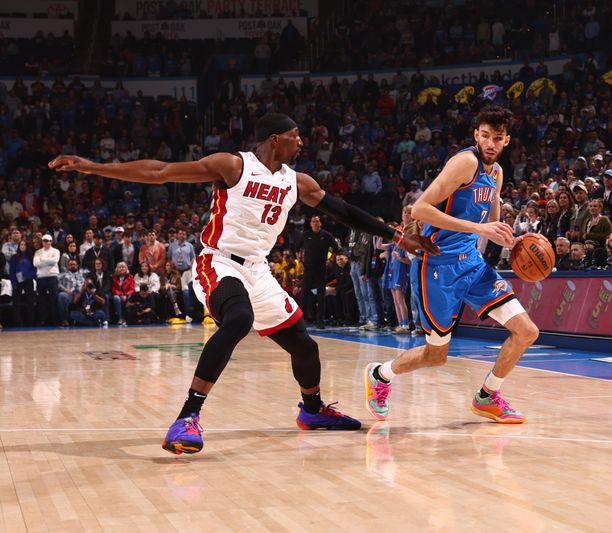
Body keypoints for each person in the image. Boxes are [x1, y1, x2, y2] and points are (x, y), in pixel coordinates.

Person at [49, 112, 436, 454]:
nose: (301, 142)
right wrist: (91, 166)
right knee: (238, 319)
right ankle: (188, 417)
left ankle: (313, 411)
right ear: (274, 139)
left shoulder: (296, 181)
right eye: (295, 136)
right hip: (218, 261)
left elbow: (346, 212)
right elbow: (159, 171)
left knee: (305, 346)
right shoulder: (233, 165)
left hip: (258, 270)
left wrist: (398, 236)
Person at [364, 105, 539, 425]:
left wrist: (509, 240)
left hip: (471, 264)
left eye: (497, 138)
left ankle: (487, 396)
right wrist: (478, 229)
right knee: (436, 355)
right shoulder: (465, 163)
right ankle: (380, 374)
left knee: (526, 331)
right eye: (484, 136)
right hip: (437, 267)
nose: (490, 143)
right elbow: (419, 209)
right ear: (476, 135)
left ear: (506, 141)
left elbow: (494, 221)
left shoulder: (497, 173)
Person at [300, 215, 337, 328]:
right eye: (313, 221)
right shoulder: (305, 235)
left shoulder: (326, 235)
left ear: (320, 223)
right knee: (304, 295)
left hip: (321, 269)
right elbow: (297, 249)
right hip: (308, 269)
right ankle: (302, 319)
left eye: (317, 221)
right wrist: (301, 262)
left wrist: (330, 260)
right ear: (310, 223)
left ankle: (319, 321)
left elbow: (336, 248)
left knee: (321, 296)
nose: (315, 223)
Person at [33, 233, 60, 326]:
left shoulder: (56, 251)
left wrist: (43, 259)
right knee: (41, 300)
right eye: (45, 241)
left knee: (54, 300)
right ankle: (42, 320)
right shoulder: (37, 252)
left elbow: (55, 261)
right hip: (41, 278)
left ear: (51, 241)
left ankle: (56, 321)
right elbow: (36, 264)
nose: (47, 242)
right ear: (42, 242)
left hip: (52, 277)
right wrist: (48, 260)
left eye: (49, 241)